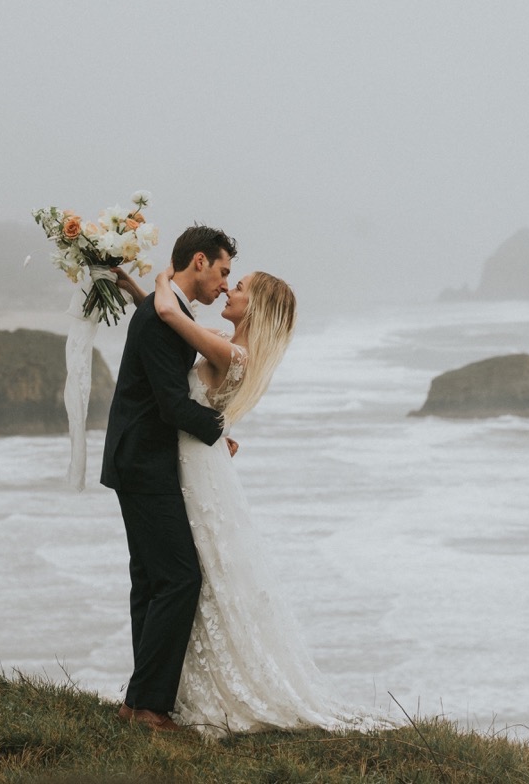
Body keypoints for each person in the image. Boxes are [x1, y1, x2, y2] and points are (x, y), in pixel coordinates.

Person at [115, 258, 392, 738]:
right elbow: (167, 335)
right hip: (190, 464)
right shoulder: (230, 349)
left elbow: (169, 316)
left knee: (184, 576)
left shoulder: (231, 353)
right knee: (183, 575)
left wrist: (162, 279)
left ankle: (154, 699)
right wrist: (134, 289)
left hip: (191, 470)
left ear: (254, 306)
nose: (228, 291)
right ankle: (151, 696)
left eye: (237, 287)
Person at [100, 224, 235, 733]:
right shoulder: (163, 319)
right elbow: (171, 404)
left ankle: (140, 703)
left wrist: (143, 289)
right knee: (180, 577)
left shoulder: (169, 311)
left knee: (153, 580)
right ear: (198, 262)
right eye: (223, 271)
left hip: (138, 458)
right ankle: (150, 707)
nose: (225, 284)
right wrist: (220, 432)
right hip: (144, 461)